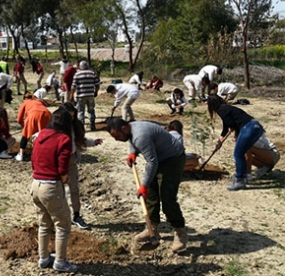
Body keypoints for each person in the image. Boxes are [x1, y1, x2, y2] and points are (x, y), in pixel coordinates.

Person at [105, 117, 188, 253]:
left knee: (167, 197)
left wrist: (143, 185)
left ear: (124, 128)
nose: (116, 139)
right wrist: (133, 152)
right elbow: (131, 140)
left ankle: (180, 231)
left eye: (117, 136)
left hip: (173, 159)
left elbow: (152, 162)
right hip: (159, 157)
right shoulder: (131, 129)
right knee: (151, 194)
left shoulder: (140, 135)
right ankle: (152, 229)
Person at [30, 108, 79, 273]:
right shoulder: (63, 139)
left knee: (44, 224)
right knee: (63, 224)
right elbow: (62, 166)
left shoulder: (40, 135)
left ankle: (43, 259)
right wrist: (65, 178)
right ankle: (60, 261)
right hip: (51, 187)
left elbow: (34, 159)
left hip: (36, 184)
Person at [207, 95, 265, 191]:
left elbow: (233, 126)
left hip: (248, 128)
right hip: (256, 127)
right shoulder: (226, 108)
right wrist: (220, 141)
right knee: (242, 152)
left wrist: (236, 135)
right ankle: (244, 176)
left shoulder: (221, 110)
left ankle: (240, 180)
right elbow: (227, 127)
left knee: (238, 154)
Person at [60, 102, 102, 229]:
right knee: (58, 190)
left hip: (71, 160)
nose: (71, 119)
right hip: (58, 163)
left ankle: (76, 216)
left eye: (73, 117)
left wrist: (92, 142)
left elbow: (80, 141)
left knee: (74, 189)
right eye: (69, 117)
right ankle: (60, 217)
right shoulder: (56, 127)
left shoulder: (75, 126)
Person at [15, 92, 51, 161]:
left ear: (25, 99)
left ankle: (21, 155)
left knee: (25, 135)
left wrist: (24, 126)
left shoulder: (25, 102)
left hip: (34, 114)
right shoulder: (37, 101)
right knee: (44, 134)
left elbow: (19, 119)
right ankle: (46, 153)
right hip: (47, 114)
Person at [71, 61, 101, 131]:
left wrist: (71, 95)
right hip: (90, 95)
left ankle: (82, 127)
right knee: (91, 110)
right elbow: (97, 84)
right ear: (87, 66)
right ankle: (92, 125)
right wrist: (95, 92)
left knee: (80, 111)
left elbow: (73, 86)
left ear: (80, 67)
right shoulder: (92, 73)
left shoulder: (77, 74)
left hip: (81, 96)